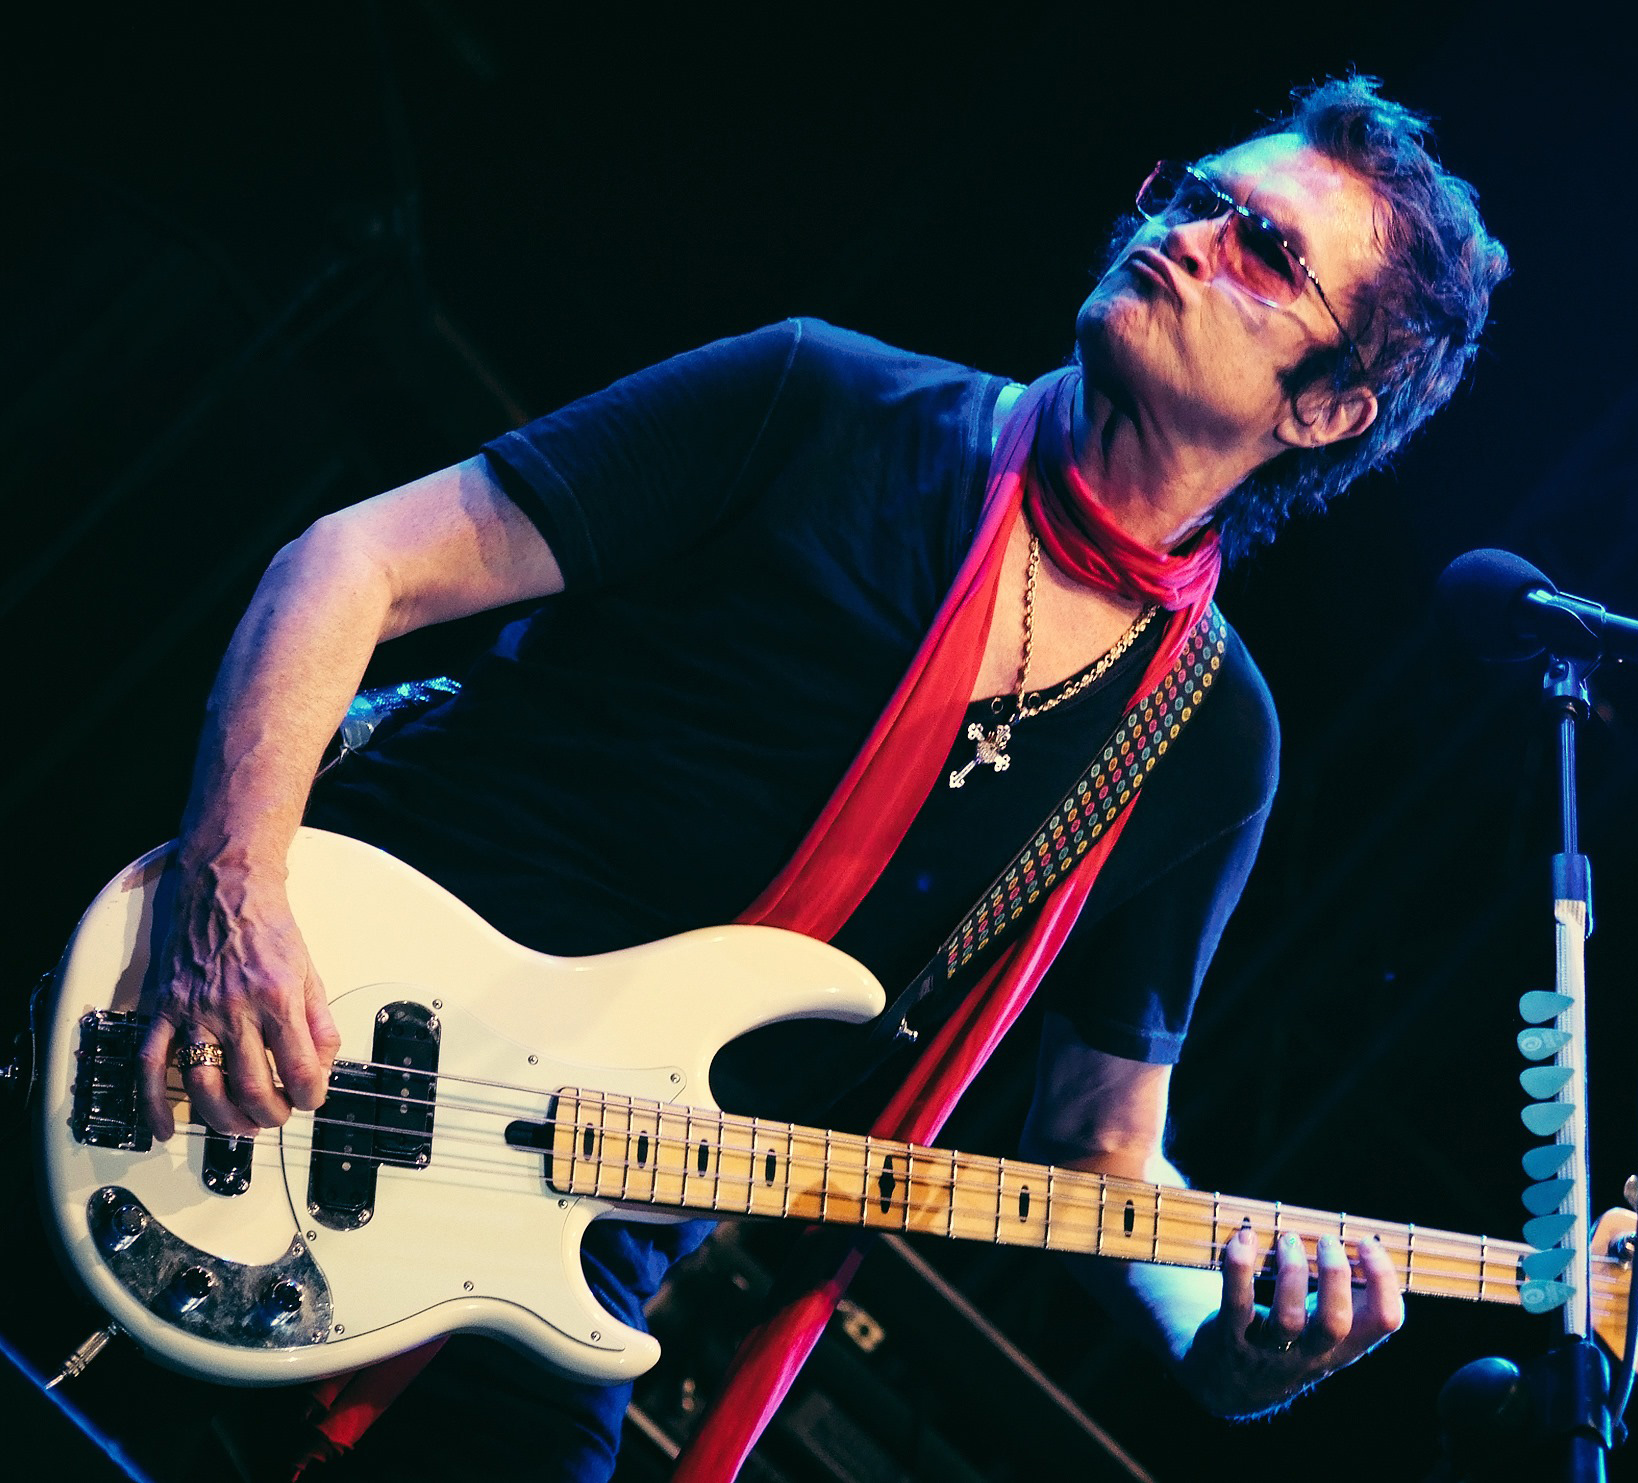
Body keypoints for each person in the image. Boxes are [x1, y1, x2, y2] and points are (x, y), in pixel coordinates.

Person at [132, 74, 1507, 1480]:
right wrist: (230, 897)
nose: (1190, 236)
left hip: (557, 1258)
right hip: (291, 1042)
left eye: (1264, 250)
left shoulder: (1207, 741)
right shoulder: (822, 400)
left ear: (1331, 408)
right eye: (1196, 196)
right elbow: (353, 565)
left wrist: (1224, 1345)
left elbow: (1100, 1145)